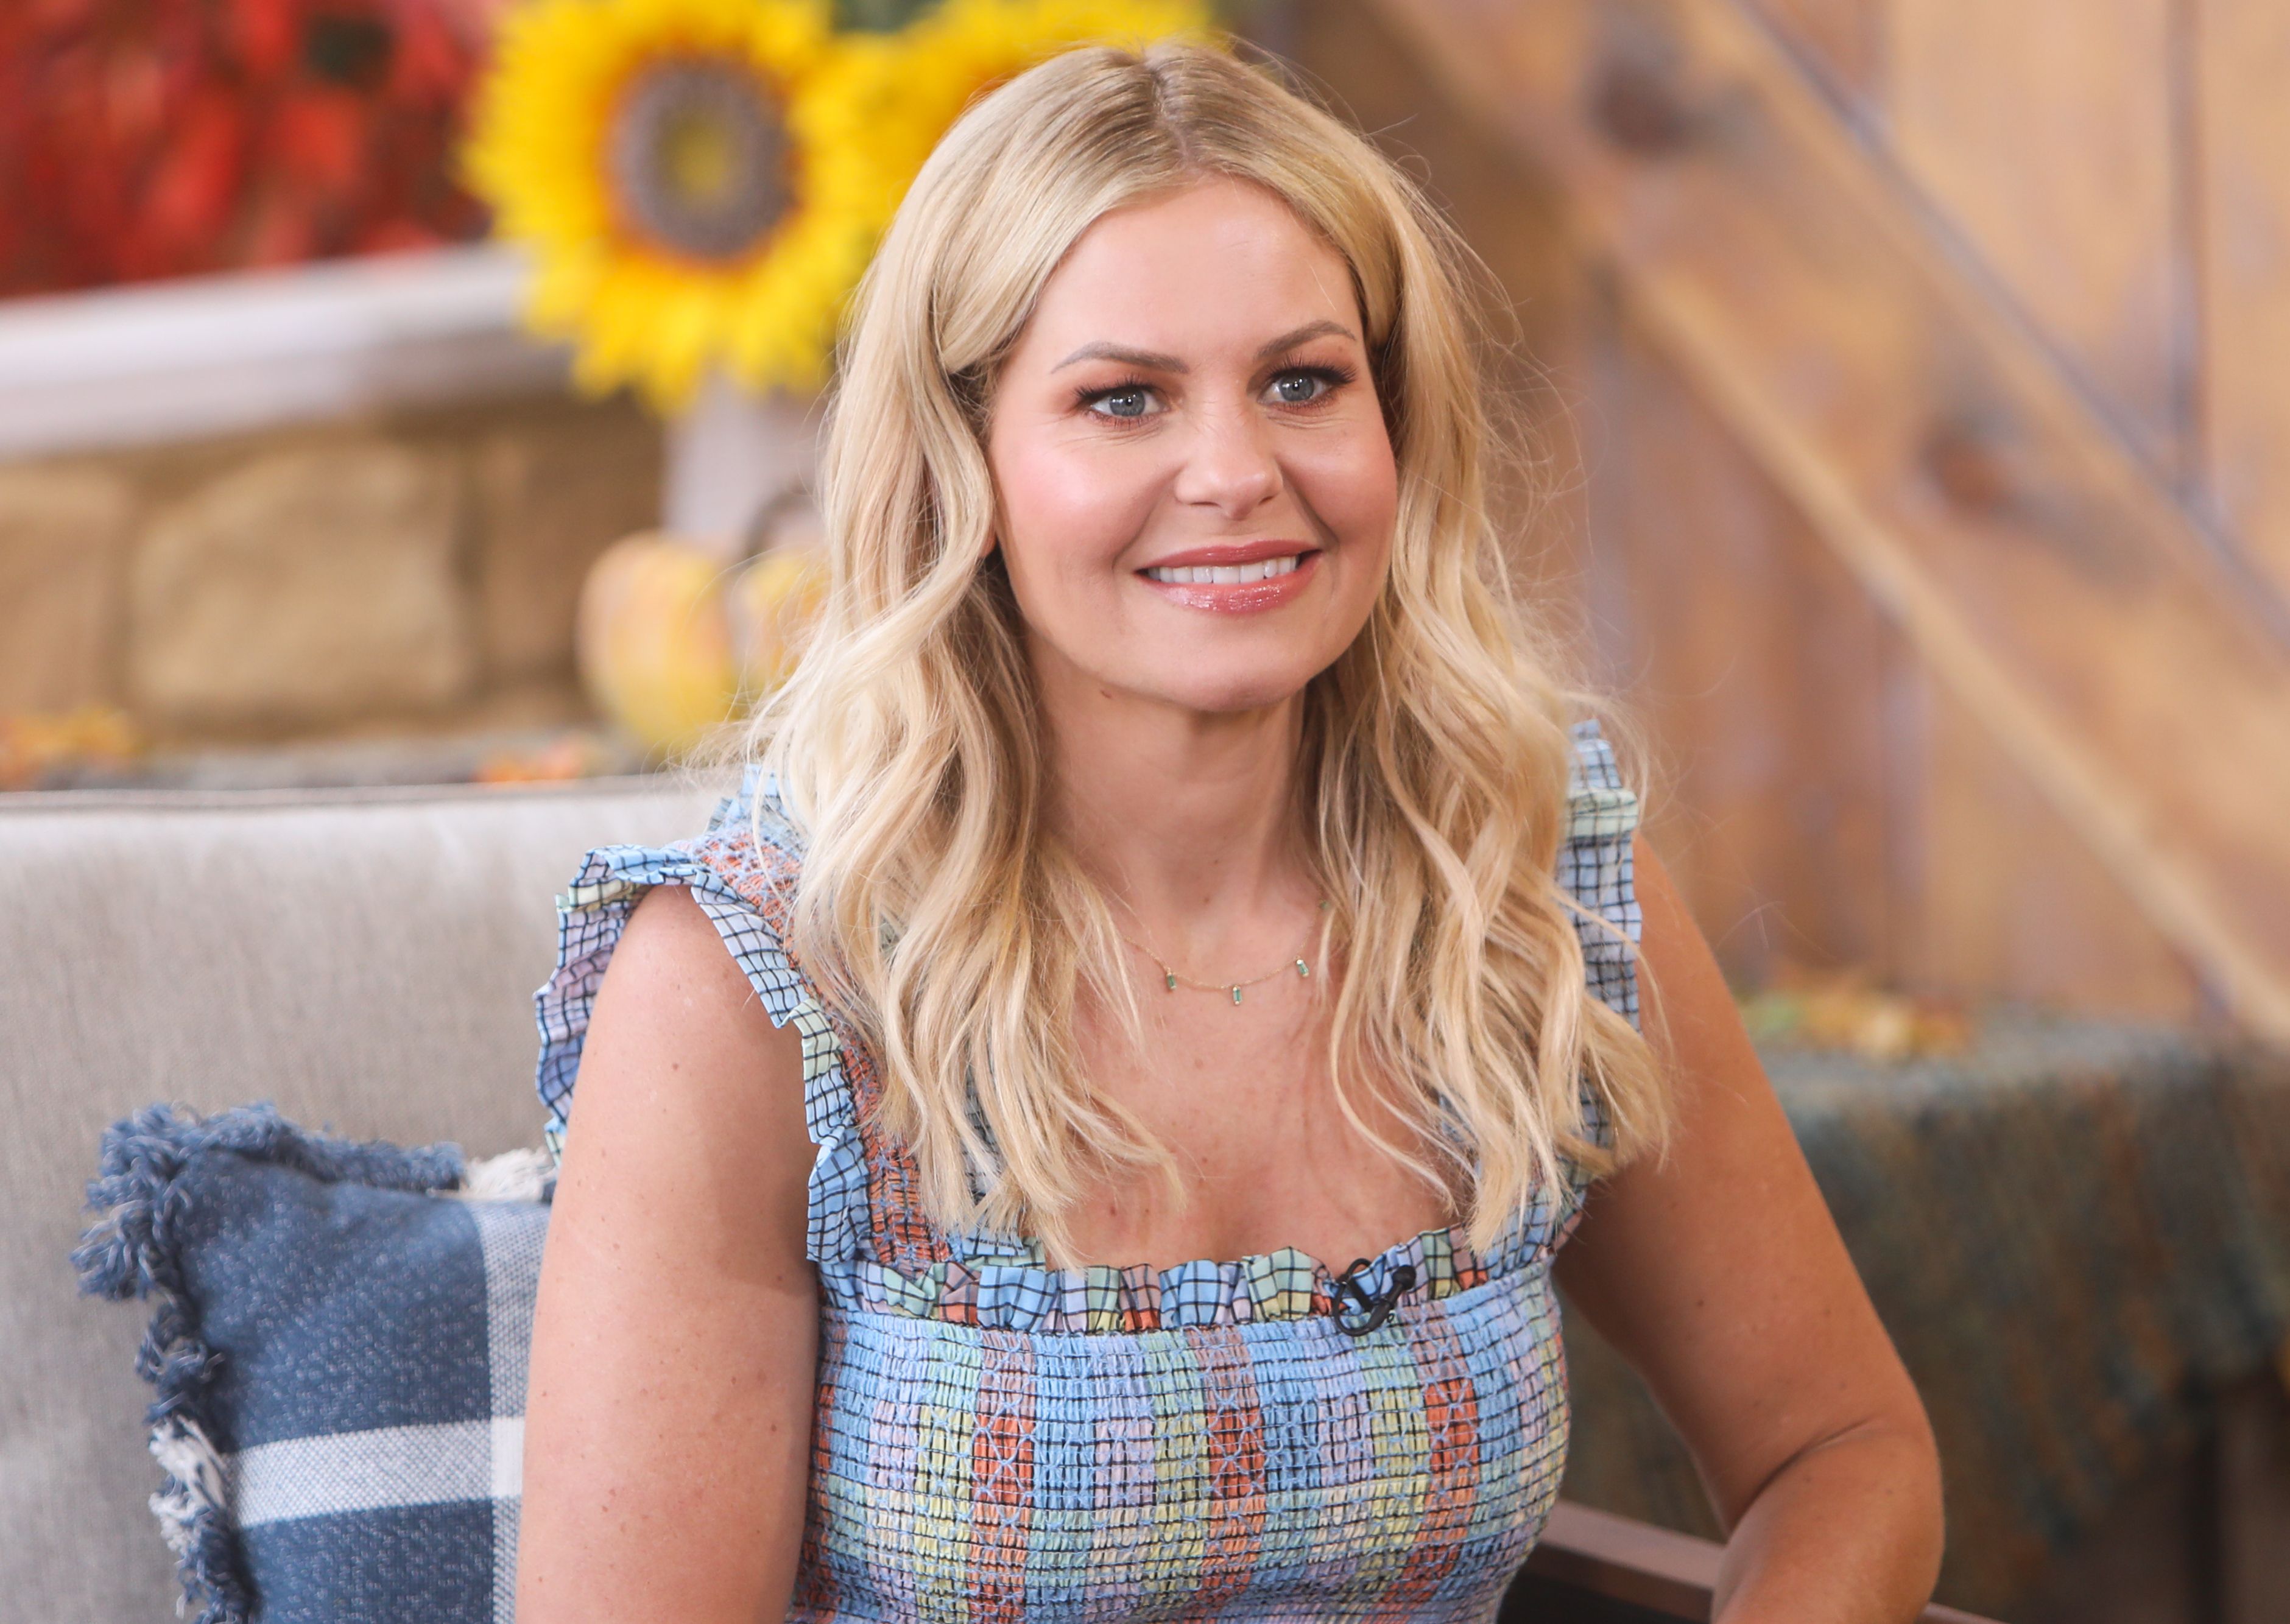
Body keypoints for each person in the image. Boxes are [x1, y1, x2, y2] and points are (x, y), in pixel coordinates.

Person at [516, 38, 1942, 1624]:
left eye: (1303, 381)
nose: (1234, 471)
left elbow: (1843, 1447)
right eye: (1121, 398)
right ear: (965, 459)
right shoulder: (756, 982)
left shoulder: (1531, 885)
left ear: (1394, 421)